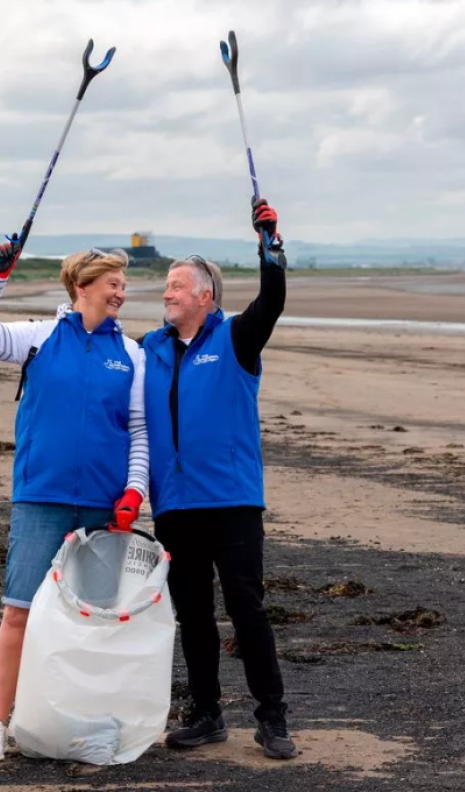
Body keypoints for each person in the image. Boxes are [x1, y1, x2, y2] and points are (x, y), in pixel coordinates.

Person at [0, 242, 148, 762]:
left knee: (97, 622)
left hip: (104, 508)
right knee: (19, 614)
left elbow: (137, 431)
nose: (121, 294)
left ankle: (94, 727)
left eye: (123, 286)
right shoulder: (37, 338)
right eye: (113, 284)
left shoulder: (131, 354)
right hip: (40, 499)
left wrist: (135, 490)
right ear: (81, 287)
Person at [140, 199, 296, 760]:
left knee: (246, 607)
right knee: (192, 614)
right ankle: (206, 713)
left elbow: (272, 301)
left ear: (205, 296)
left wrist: (269, 243)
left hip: (231, 501)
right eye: (165, 285)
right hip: (174, 505)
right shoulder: (149, 349)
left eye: (177, 286)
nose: (166, 293)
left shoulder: (235, 338)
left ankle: (273, 718)